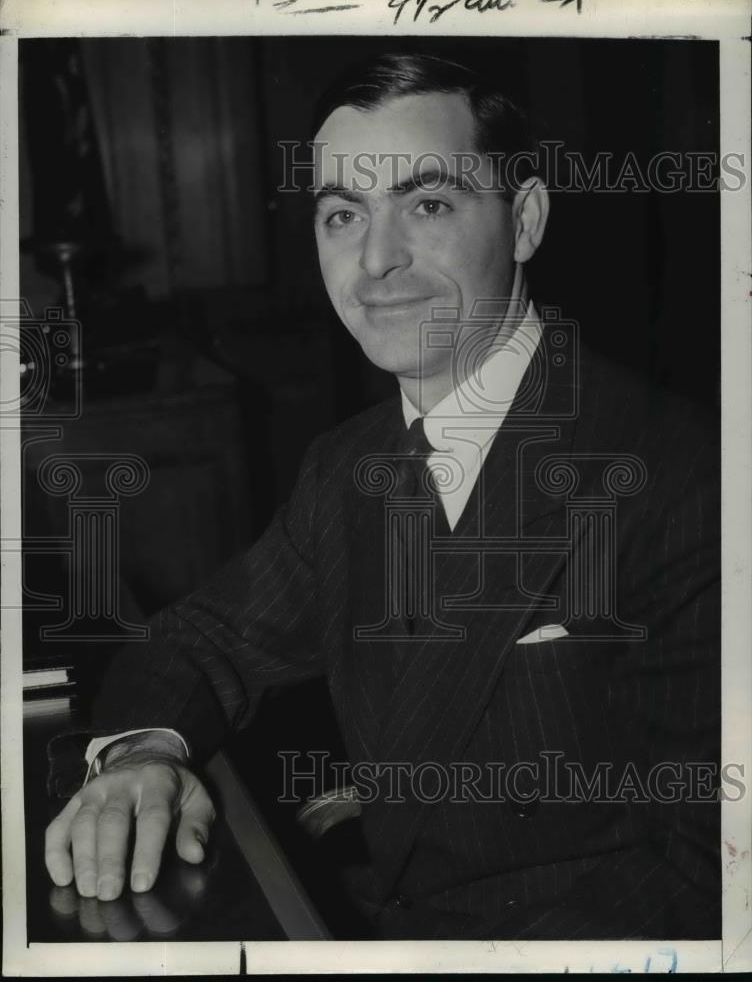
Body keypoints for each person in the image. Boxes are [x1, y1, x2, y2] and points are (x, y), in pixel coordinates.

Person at [44, 53, 721, 940]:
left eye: (428, 204)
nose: (375, 262)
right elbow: (204, 637)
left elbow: (711, 872)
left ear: (524, 219)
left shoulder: (682, 474)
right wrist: (144, 754)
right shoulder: (348, 464)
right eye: (341, 214)